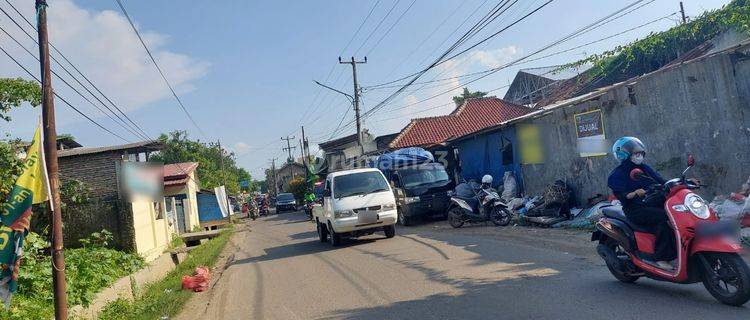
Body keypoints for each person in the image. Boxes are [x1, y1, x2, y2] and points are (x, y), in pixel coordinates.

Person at [607, 137, 675, 269]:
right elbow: (621, 194)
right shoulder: (617, 174)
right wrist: (634, 193)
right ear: (624, 155)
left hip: (652, 203)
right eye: (635, 154)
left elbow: (661, 180)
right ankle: (660, 258)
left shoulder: (644, 168)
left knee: (678, 213)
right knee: (665, 219)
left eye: (640, 154)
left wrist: (681, 183)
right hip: (635, 209)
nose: (639, 157)